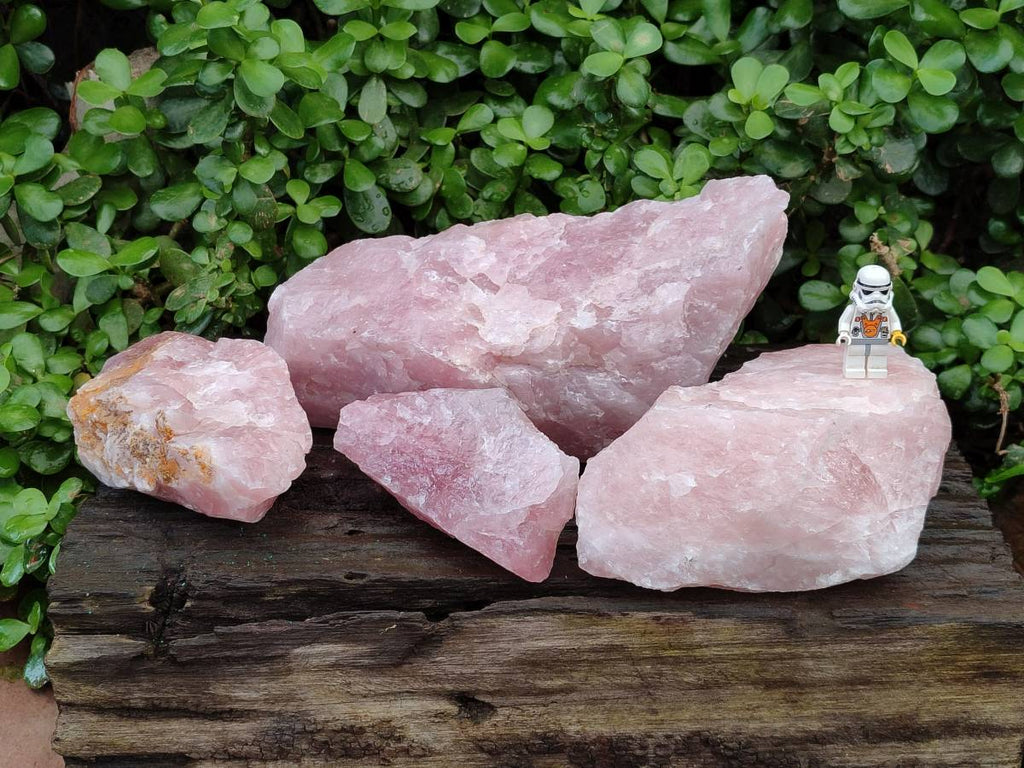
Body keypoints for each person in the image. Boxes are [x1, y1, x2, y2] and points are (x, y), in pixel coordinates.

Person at [836, 264, 907, 378]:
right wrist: (844, 333)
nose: (876, 296)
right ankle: (853, 370)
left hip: (880, 340)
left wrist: (896, 332)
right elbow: (844, 321)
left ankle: (877, 370)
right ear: (856, 287)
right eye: (868, 292)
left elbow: (894, 321)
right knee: (855, 357)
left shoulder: (887, 310)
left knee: (878, 357)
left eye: (883, 292)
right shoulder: (853, 309)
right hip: (856, 340)